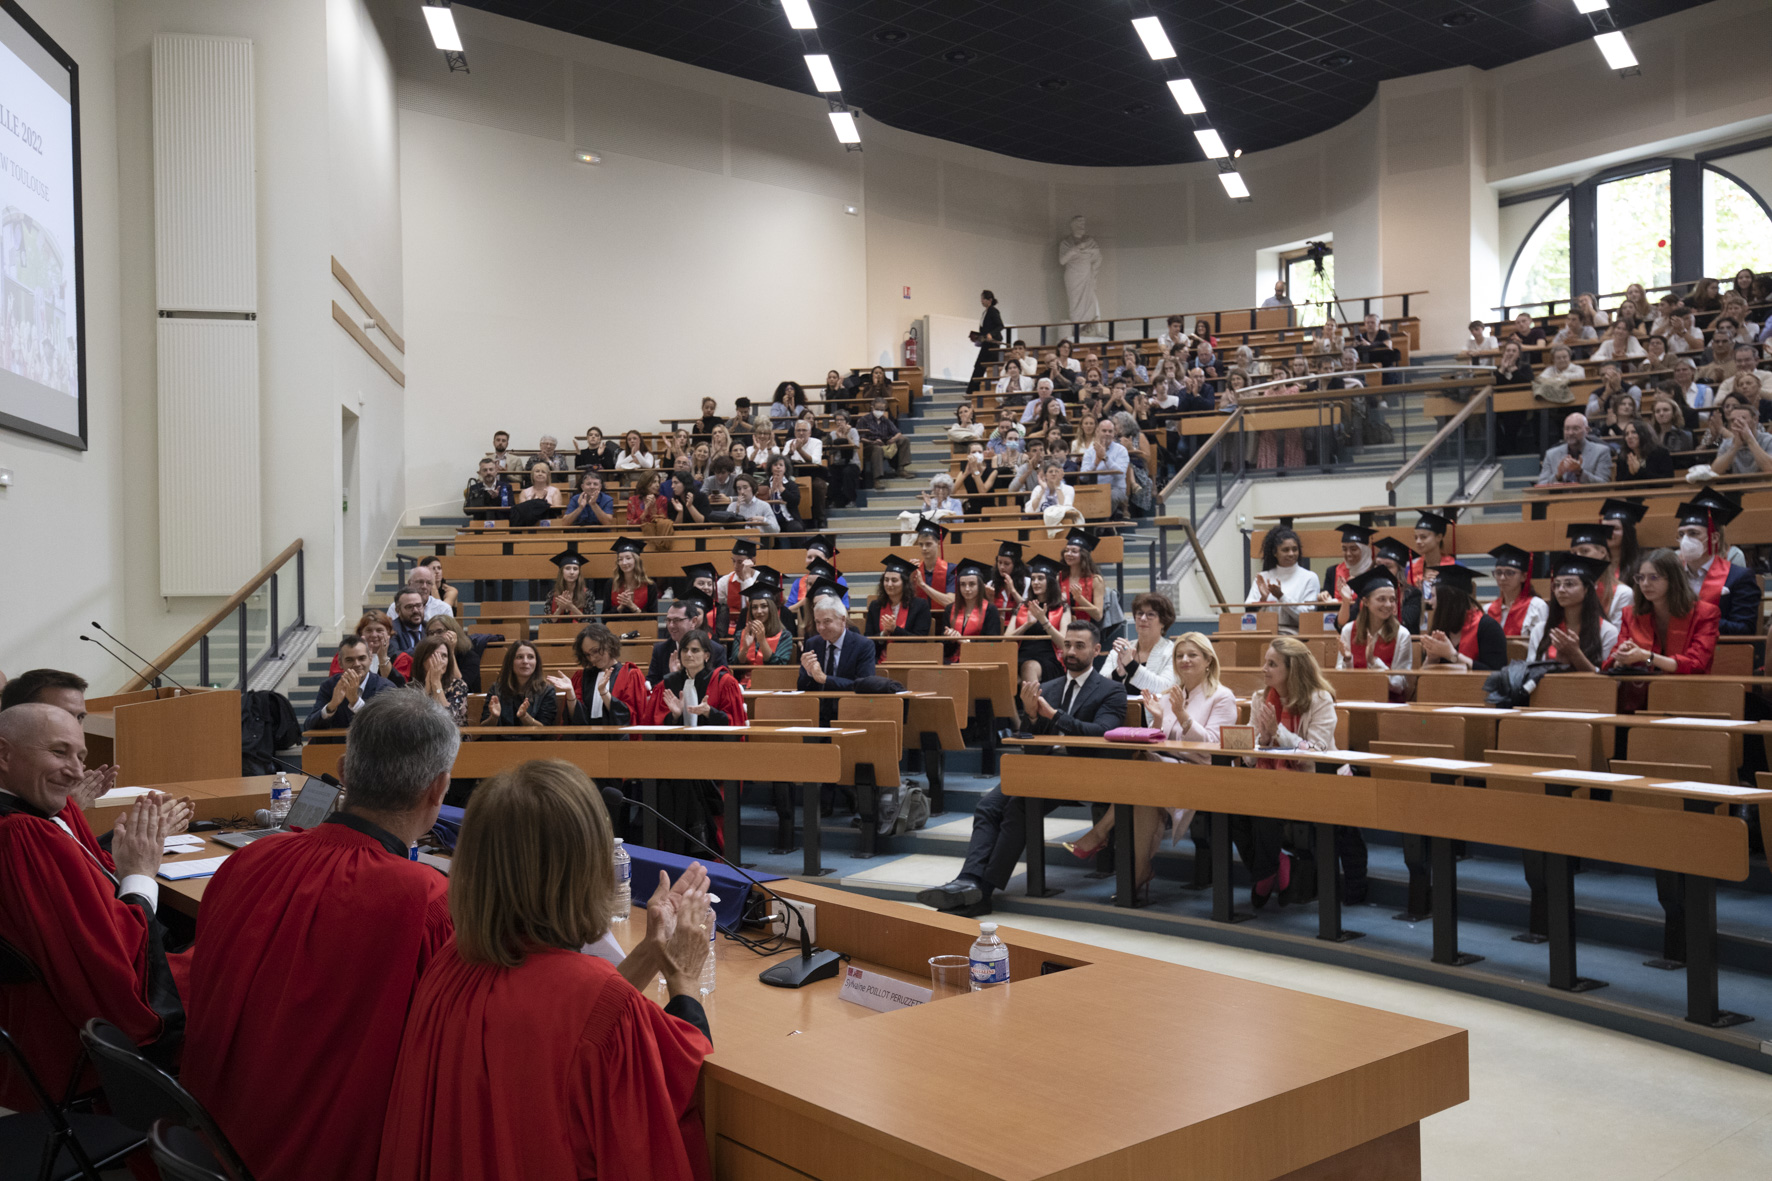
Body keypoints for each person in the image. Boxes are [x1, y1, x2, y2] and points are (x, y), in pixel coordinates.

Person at [376, 760, 714, 1181]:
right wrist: (683, 978)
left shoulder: (450, 963)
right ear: (586, 872)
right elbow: (675, 1090)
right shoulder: (592, 999)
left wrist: (651, 948)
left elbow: (574, 1029)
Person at [182, 693, 459, 1181]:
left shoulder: (251, 859)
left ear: (343, 770)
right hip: (336, 1159)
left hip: (212, 1144)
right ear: (439, 788)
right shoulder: (430, 903)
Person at [0, 705, 194, 1112]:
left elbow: (94, 884)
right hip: (75, 1040)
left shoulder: (37, 811)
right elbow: (113, 964)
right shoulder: (21, 835)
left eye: (81, 756)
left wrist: (128, 860)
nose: (75, 772)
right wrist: (141, 871)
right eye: (59, 752)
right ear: (3, 754)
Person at [917, 622, 1125, 918]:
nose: (1071, 651)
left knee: (1018, 807)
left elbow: (1101, 733)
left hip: (1084, 771)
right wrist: (1029, 716)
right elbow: (1031, 743)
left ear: (1096, 650)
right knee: (988, 805)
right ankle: (968, 880)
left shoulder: (1111, 690)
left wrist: (1054, 716)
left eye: (1080, 646)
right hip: (1041, 768)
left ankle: (982, 892)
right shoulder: (1048, 688)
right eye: (1067, 644)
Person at [1070, 632, 1239, 899]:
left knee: (1144, 775)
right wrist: (1158, 721)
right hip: (1163, 769)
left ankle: (1101, 833)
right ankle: (1140, 871)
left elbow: (1215, 747)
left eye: (1192, 655)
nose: (1184, 660)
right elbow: (1156, 742)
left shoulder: (1222, 696)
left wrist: (1183, 718)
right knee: (1145, 789)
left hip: (1202, 774)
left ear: (1208, 661)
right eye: (1180, 655)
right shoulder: (1171, 694)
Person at [1242, 637, 1340, 907]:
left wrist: (1278, 733)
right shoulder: (1260, 699)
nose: (1264, 669)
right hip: (1270, 780)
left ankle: (1264, 875)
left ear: (1293, 670)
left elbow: (1315, 752)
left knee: (1266, 803)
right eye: (1265, 662)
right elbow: (1249, 759)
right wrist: (1262, 739)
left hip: (1313, 781)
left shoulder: (1319, 700)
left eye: (1272, 664)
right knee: (1229, 807)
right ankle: (1277, 863)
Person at [1607, 547, 1719, 675]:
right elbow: (1611, 661)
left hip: (1687, 689)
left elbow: (1696, 664)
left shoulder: (1705, 613)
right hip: (1641, 689)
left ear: (1673, 580)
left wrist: (1647, 656)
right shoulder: (1631, 614)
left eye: (1653, 577)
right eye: (1641, 578)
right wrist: (1622, 657)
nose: (1645, 584)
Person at [1672, 498, 1759, 636]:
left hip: (1720, 650)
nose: (1685, 540)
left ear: (1714, 538)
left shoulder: (1738, 576)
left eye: (1693, 533)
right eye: (1681, 534)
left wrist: (1698, 618)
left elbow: (1745, 628)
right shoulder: (1672, 575)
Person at [552, 622, 649, 728]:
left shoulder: (630, 675)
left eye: (596, 651)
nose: (592, 658)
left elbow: (630, 718)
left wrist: (604, 693)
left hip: (618, 741)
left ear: (609, 644)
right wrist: (570, 692)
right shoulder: (581, 677)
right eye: (587, 654)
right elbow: (575, 720)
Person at [1337, 567, 1413, 701]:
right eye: (1381, 599)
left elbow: (1399, 685)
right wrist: (1348, 660)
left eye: (1392, 599)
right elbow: (1340, 677)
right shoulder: (1348, 630)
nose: (1388, 604)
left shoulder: (1402, 634)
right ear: (1365, 602)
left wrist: (1373, 662)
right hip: (1354, 700)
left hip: (1388, 704)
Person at [1533, 553, 1617, 672]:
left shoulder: (1607, 631)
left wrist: (1575, 654)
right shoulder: (1540, 630)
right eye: (1556, 585)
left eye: (1569, 584)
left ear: (1586, 589)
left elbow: (1610, 682)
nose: (1561, 590)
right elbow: (1529, 673)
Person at [1418, 563, 1507, 671]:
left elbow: (1496, 673)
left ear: (1449, 598)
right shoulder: (1439, 628)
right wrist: (1431, 658)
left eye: (1433, 596)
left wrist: (1452, 655)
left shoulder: (1488, 628)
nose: (1430, 602)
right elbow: (1422, 680)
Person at [306, 635, 396, 731]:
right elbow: (309, 725)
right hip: (336, 745)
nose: (357, 664)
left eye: (362, 658)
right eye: (349, 660)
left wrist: (355, 702)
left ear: (370, 659)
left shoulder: (386, 687)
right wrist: (331, 706)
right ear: (340, 663)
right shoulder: (330, 686)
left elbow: (387, 726)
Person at [1007, 555, 1069, 684]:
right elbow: (1005, 639)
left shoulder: (1062, 607)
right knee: (1004, 671)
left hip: (1049, 660)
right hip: (1018, 657)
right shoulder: (1022, 607)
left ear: (1051, 581)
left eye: (1040, 578)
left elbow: (1063, 643)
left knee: (1028, 667)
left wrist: (1043, 620)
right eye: (1033, 578)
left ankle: (1032, 704)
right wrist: (1027, 625)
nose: (1035, 582)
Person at [798, 597, 878, 693]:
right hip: (817, 705)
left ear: (842, 620)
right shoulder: (812, 644)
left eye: (827, 621)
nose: (821, 628)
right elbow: (801, 687)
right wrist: (809, 673)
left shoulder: (863, 645)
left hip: (850, 704)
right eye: (817, 622)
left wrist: (825, 679)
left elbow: (865, 686)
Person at [647, 594, 730, 684]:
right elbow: (652, 685)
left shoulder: (715, 650)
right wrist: (672, 678)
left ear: (693, 621)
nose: (671, 625)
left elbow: (722, 683)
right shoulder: (660, 650)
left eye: (676, 620)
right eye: (668, 620)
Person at [1567, 521, 1635, 629]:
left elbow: (1618, 637)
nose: (1578, 557)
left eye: (1584, 551)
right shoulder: (1569, 590)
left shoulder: (1622, 594)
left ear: (1603, 552)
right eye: (1574, 553)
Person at [1485, 544, 1548, 659]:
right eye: (1498, 573)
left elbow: (1542, 646)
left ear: (1524, 576)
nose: (1502, 578)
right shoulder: (1488, 609)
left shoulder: (1537, 607)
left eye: (1510, 573)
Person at [865, 554, 932, 661]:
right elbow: (867, 640)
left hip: (910, 659)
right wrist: (883, 634)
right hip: (879, 660)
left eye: (894, 580)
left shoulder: (919, 606)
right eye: (886, 580)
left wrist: (895, 630)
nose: (889, 584)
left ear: (904, 583)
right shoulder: (875, 606)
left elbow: (920, 641)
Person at [1108, 592, 1177, 694]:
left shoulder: (1173, 652)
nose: (1143, 619)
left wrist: (1130, 664)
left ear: (1163, 621)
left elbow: (1164, 688)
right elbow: (1101, 688)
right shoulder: (1119, 651)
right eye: (1140, 613)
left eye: (1151, 614)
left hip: (1154, 710)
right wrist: (1119, 673)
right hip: (1119, 709)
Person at [939, 559, 1003, 664]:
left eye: (972, 584)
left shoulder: (990, 610)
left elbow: (993, 643)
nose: (967, 589)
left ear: (980, 586)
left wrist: (966, 642)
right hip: (951, 660)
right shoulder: (950, 610)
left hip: (980, 660)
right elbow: (944, 649)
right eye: (963, 584)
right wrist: (950, 639)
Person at [731, 574, 794, 678]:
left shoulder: (784, 636)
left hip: (771, 685)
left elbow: (780, 666)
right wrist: (745, 648)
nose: (759, 611)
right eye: (754, 607)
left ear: (772, 609)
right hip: (744, 686)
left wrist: (762, 641)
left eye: (764, 606)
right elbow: (735, 666)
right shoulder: (741, 634)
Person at [485, 641, 558, 729]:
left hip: (533, 742)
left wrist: (525, 717)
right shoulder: (496, 689)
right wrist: (494, 717)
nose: (525, 661)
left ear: (536, 662)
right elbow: (484, 730)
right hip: (501, 741)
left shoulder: (546, 690)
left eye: (530, 657)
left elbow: (545, 731)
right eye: (519, 657)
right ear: (510, 662)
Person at [1247, 526, 1322, 610]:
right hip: (1268, 623)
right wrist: (1263, 600)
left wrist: (1281, 597)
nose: (1291, 554)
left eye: (1295, 549)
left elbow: (1308, 614)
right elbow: (1249, 615)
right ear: (1275, 553)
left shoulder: (1310, 577)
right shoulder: (1263, 577)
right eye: (1285, 550)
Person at [331, 610, 410, 684]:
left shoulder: (402, 658)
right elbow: (336, 683)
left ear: (388, 632)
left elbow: (400, 688)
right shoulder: (345, 656)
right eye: (369, 630)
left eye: (379, 630)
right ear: (360, 633)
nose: (374, 635)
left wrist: (383, 659)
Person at [1319, 523, 1374, 627]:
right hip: (1337, 625)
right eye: (1344, 549)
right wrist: (1323, 597)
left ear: (1365, 550)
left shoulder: (1374, 572)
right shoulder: (1332, 571)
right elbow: (1327, 607)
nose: (1348, 553)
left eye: (1353, 549)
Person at [1536, 412, 1614, 485]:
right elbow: (1541, 484)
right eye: (1567, 429)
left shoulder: (1601, 451)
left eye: (1576, 429)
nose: (1570, 433)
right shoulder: (1551, 454)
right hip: (1560, 498)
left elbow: (1603, 483)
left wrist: (1580, 472)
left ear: (1586, 430)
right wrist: (1558, 476)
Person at [1079, 415, 1130, 519]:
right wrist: (1096, 463)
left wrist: (1105, 458)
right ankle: (1101, 527)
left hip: (1115, 488)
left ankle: (1099, 527)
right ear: (1097, 431)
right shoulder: (1089, 452)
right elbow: (1083, 477)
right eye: (1104, 431)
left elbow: (1120, 475)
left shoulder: (1121, 450)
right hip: (1094, 488)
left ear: (1114, 433)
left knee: (1109, 497)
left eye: (1110, 431)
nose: (1107, 434)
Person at [1373, 537, 1424, 633]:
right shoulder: (1368, 591)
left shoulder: (1412, 594)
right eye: (1378, 565)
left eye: (1388, 566)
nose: (1382, 570)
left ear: (1399, 570)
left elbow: (1406, 622)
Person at [1711, 397, 1772, 474]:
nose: (1737, 423)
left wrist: (1750, 440)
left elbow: (1770, 468)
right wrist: (1735, 447)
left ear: (1755, 420)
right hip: (1737, 485)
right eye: (1733, 420)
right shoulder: (1727, 443)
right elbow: (1714, 472)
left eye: (1742, 419)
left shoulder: (1768, 440)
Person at [1058, 526, 1105, 624]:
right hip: (1063, 626)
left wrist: (1079, 598)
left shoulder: (1096, 580)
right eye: (1066, 550)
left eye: (1074, 551)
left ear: (1083, 555)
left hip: (1087, 628)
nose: (1068, 554)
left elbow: (1098, 615)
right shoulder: (1060, 577)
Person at [424, 614, 481, 693]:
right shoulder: (426, 657)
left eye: (440, 631)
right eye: (431, 633)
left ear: (453, 632)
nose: (435, 636)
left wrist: (450, 651)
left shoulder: (470, 657)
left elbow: (459, 687)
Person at [602, 536, 657, 616]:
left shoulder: (650, 586)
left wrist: (632, 606)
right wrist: (620, 607)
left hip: (642, 627)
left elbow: (653, 619)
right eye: (620, 559)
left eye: (628, 558)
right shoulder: (611, 584)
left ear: (636, 560)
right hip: (617, 627)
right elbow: (604, 618)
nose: (624, 563)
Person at [909, 516, 956, 609]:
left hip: (944, 619)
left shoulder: (951, 570)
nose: (924, 548)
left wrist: (923, 585)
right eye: (921, 544)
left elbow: (950, 602)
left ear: (938, 543)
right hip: (918, 620)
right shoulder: (914, 570)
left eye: (928, 544)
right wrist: (909, 579)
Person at [823, 409, 861, 509]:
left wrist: (845, 437)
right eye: (837, 420)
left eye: (841, 420)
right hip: (838, 462)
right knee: (832, 473)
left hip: (852, 463)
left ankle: (851, 500)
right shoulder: (832, 434)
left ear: (847, 421)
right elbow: (830, 451)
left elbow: (856, 446)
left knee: (847, 472)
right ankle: (834, 501)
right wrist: (837, 440)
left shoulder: (853, 431)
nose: (839, 422)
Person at [547, 550, 594, 620]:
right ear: (561, 572)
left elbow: (590, 622)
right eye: (567, 568)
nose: (572, 572)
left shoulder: (587, 594)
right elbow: (547, 623)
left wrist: (571, 607)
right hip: (557, 630)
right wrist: (560, 608)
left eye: (575, 569)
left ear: (579, 573)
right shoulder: (551, 595)